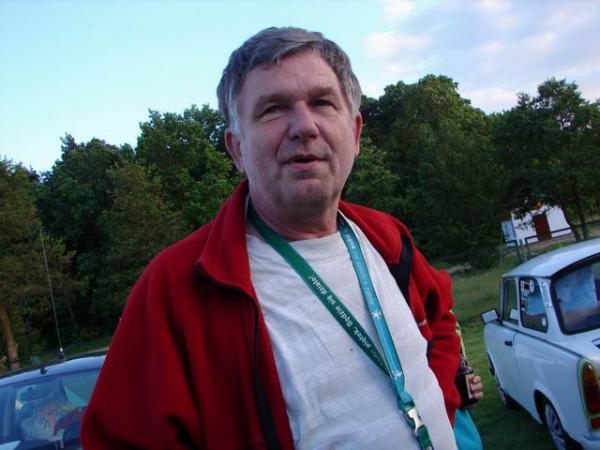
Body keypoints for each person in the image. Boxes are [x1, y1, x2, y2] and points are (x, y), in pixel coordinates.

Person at [82, 27, 481, 449]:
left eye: (322, 102)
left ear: (355, 133)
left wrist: (440, 402)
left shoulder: (386, 236)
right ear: (236, 149)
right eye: (273, 109)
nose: (304, 126)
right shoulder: (176, 288)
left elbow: (440, 318)